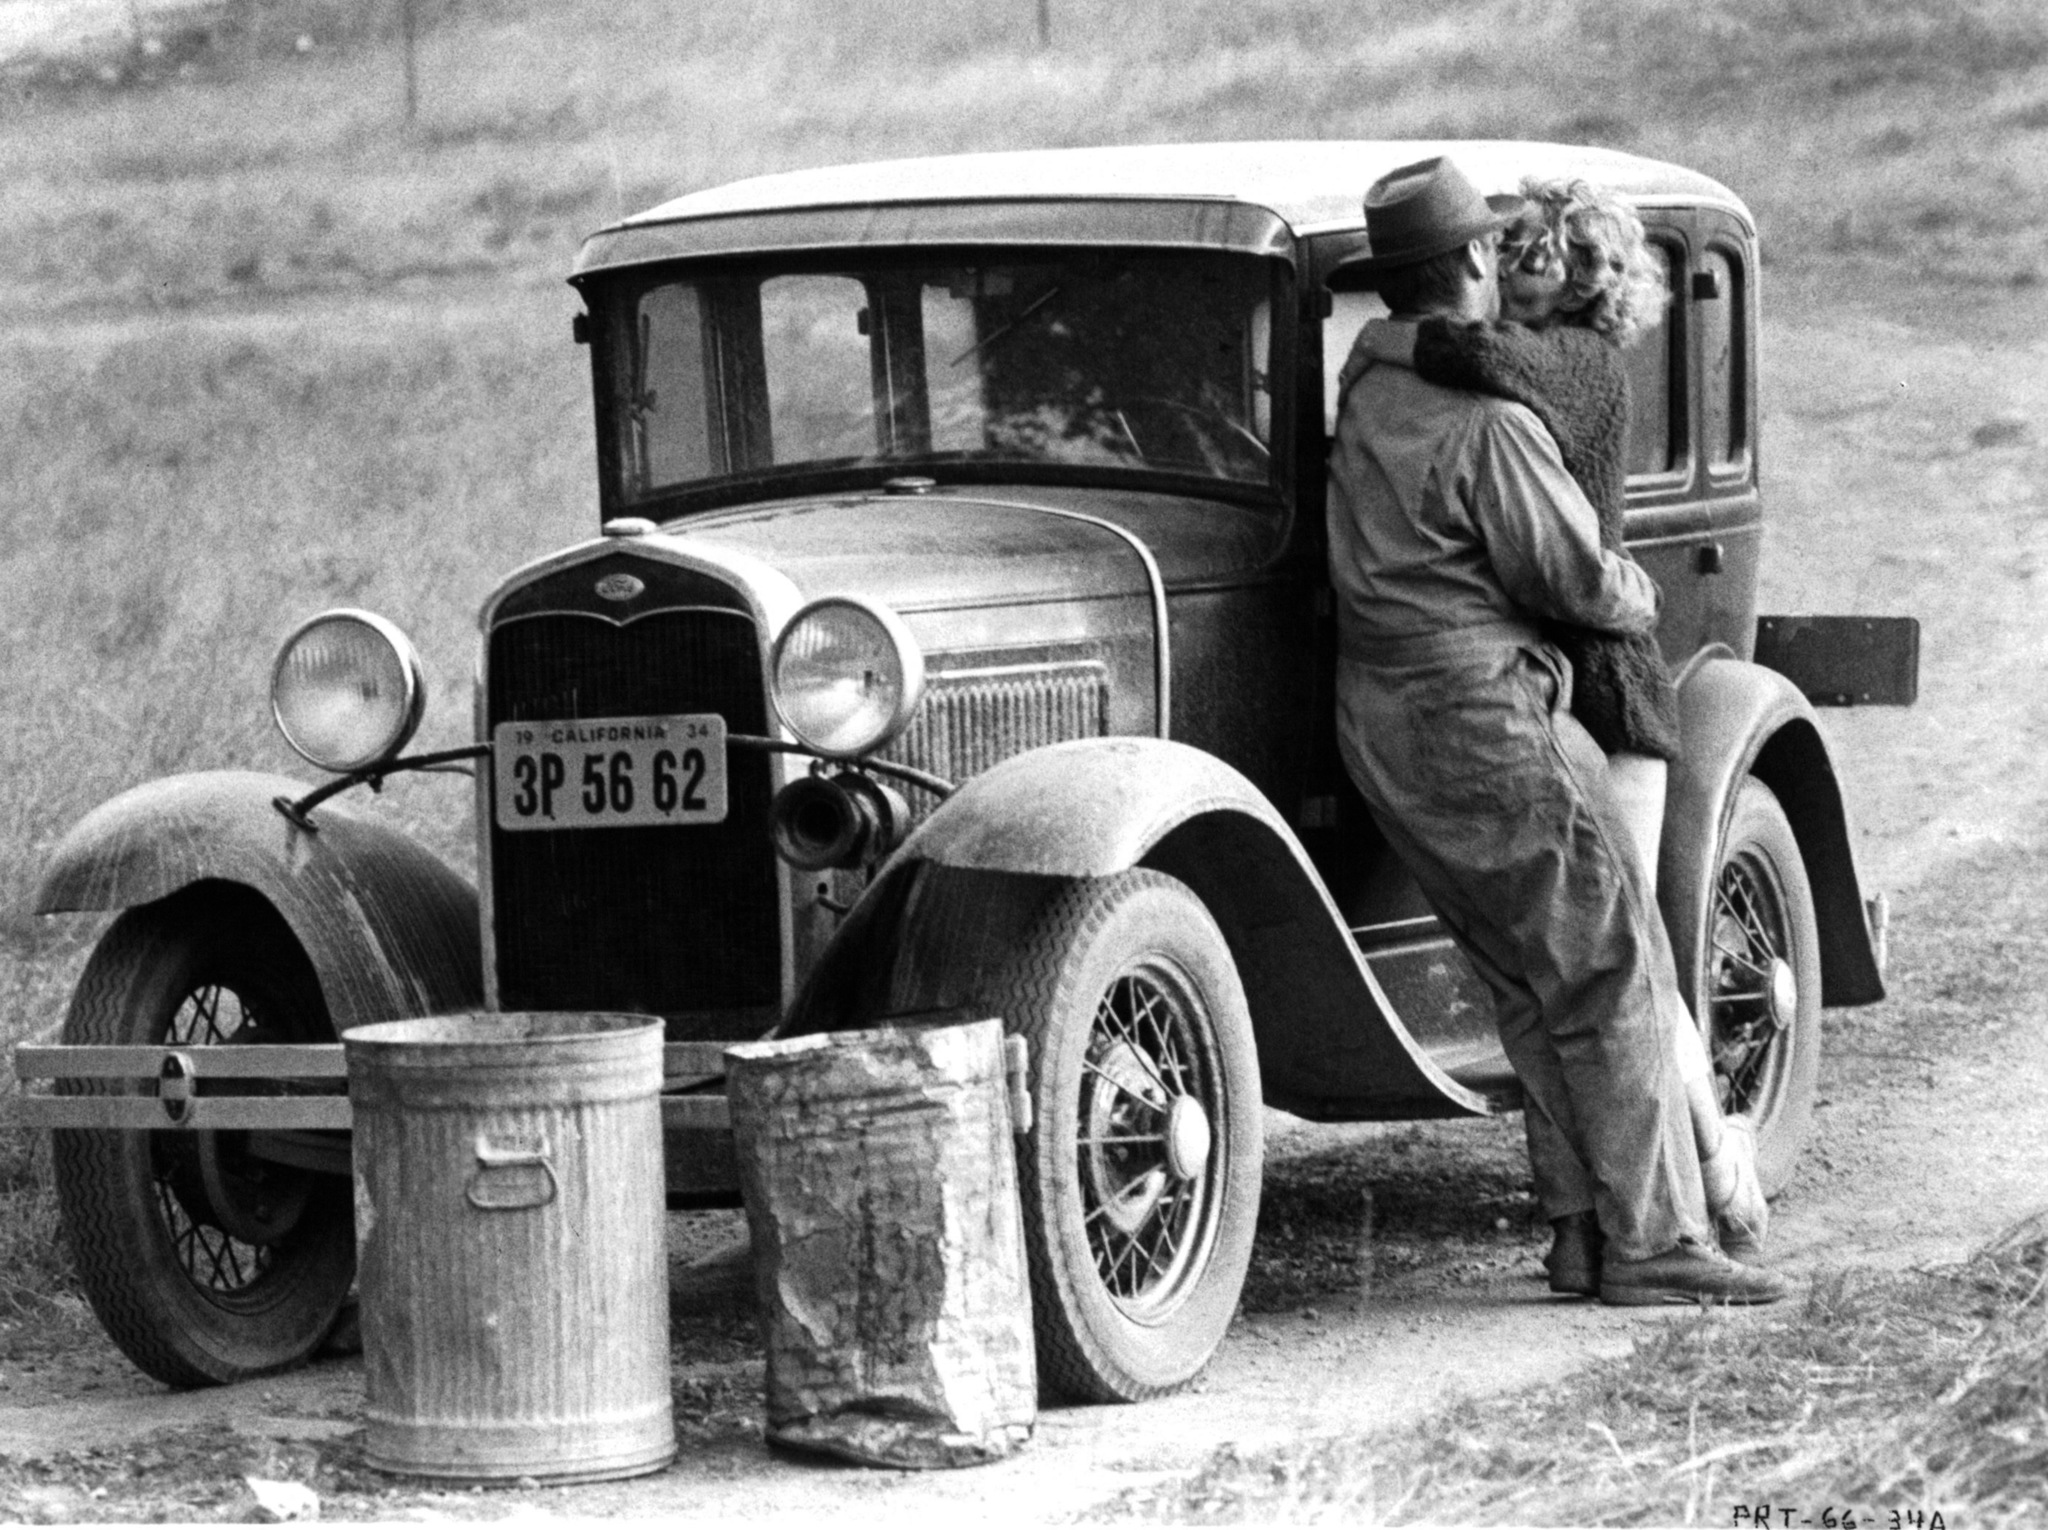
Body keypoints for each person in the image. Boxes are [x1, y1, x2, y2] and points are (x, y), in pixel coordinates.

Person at [1324, 156, 1783, 1305]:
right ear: (1474, 261)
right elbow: (1578, 581)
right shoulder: (1488, 423)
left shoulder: (1366, 386)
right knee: (1614, 967)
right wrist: (1636, 597)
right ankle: (1653, 1241)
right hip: (1484, 719)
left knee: (1527, 985)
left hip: (1375, 726)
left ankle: (1575, 1235)